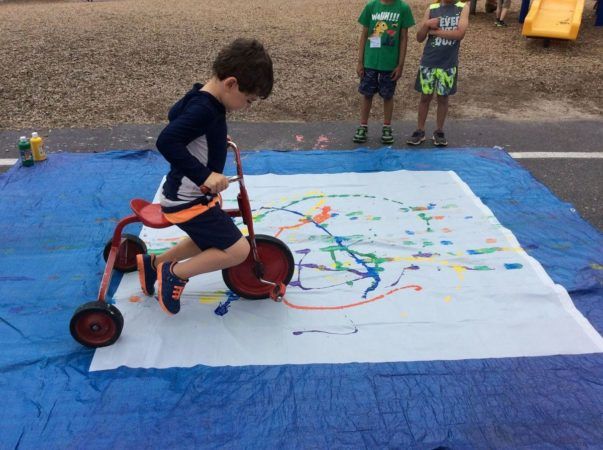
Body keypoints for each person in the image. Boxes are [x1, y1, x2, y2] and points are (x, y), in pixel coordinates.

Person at [136, 38, 273, 315]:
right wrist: (204, 174)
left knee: (211, 238)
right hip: (187, 199)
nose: (247, 107)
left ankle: (154, 266)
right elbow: (167, 140)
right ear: (231, 83)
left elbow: (175, 114)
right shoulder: (204, 108)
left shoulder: (200, 97)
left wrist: (214, 138)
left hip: (184, 194)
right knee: (238, 251)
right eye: (248, 100)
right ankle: (176, 274)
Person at [406, 1, 469, 147]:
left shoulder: (462, 8)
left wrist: (435, 32)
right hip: (429, 61)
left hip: (448, 63)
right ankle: (420, 130)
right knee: (425, 97)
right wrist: (427, 25)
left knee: (443, 98)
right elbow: (419, 37)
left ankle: (439, 131)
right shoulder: (432, 8)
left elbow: (460, 34)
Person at [353, 0, 415, 145]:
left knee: (388, 95)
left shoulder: (403, 8)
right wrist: (360, 61)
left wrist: (400, 65)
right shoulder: (371, 6)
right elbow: (364, 35)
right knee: (367, 94)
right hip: (370, 61)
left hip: (390, 64)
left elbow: (404, 38)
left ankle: (387, 127)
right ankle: (363, 126)